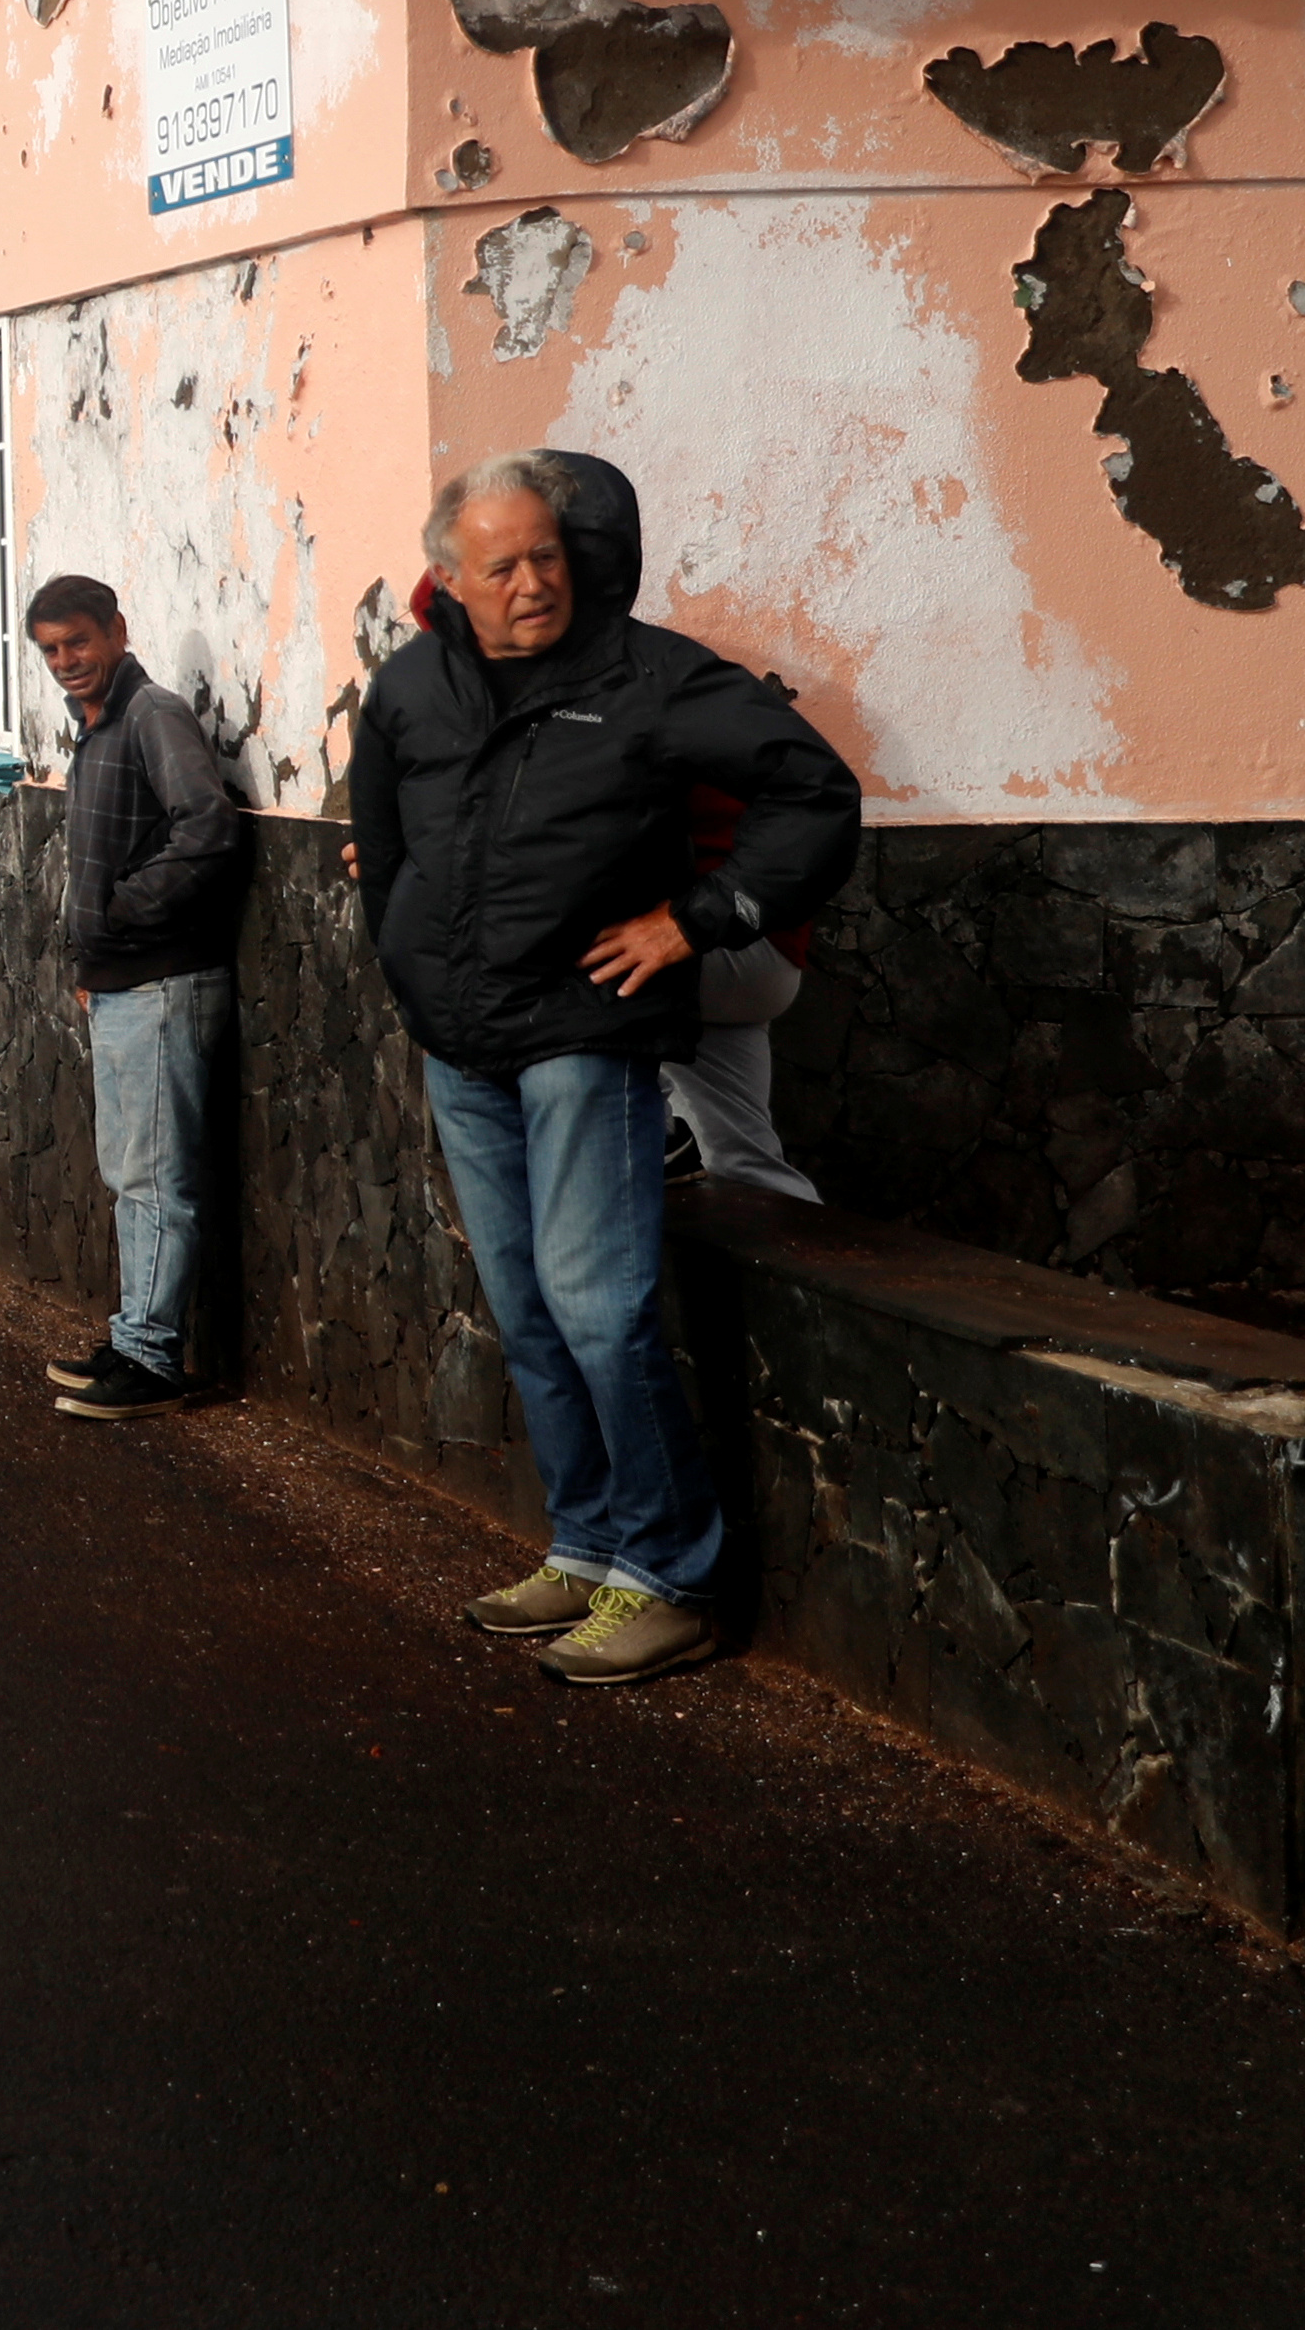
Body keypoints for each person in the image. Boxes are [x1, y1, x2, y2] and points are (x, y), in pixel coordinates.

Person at [352, 450, 858, 1687]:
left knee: (596, 1305)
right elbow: (378, 832)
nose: (534, 582)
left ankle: (670, 1576)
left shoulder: (648, 676)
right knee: (525, 1308)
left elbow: (814, 790)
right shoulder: (411, 686)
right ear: (446, 578)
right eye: (502, 564)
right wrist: (409, 960)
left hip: (584, 1033)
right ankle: (585, 1545)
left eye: (547, 554)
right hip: (463, 1044)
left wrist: (700, 917)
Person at [22, 577, 243, 1421]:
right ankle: (131, 1338)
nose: (64, 662)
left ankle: (149, 1359)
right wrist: (91, 960)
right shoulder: (97, 726)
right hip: (121, 982)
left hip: (161, 980)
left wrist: (119, 915)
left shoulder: (150, 713)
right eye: (48, 650)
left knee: (151, 1177)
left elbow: (206, 826)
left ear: (115, 630)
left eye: (76, 642)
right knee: (132, 1173)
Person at [665, 781, 823, 1202]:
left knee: (574, 958)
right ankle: (804, 1255)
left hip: (710, 939)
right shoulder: (741, 726)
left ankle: (649, 1129)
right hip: (761, 951)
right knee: (739, 1157)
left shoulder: (628, 721)